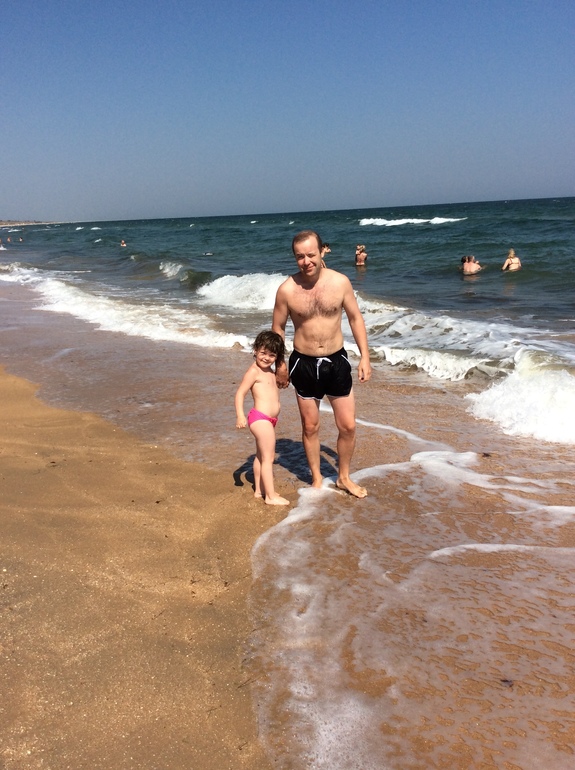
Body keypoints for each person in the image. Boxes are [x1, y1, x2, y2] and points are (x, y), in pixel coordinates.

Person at [273, 230, 372, 498]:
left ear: (321, 251)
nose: (306, 261)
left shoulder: (340, 282)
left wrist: (365, 356)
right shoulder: (286, 290)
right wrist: (280, 365)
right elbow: (278, 329)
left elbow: (355, 318)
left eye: (311, 254)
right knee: (310, 427)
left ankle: (344, 477)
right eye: (300, 257)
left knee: (348, 426)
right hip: (303, 364)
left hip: (336, 361)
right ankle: (316, 479)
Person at [235, 330, 290, 506]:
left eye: (272, 355)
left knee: (260, 456)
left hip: (269, 420)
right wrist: (240, 415)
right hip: (260, 418)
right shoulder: (254, 371)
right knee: (269, 457)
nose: (266, 358)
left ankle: (260, 490)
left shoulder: (270, 371)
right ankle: (271, 496)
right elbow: (240, 393)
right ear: (255, 350)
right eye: (263, 353)